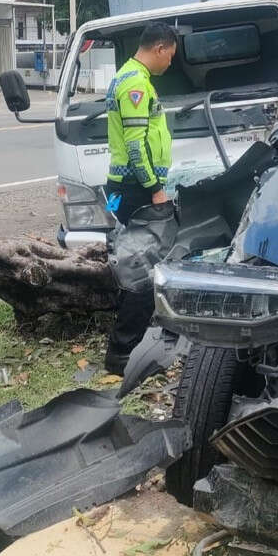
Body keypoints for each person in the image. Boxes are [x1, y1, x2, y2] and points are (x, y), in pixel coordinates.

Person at [103, 22, 178, 373]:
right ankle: (123, 353)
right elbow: (135, 145)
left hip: (122, 187)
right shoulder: (135, 82)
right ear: (160, 48)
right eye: (171, 57)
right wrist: (155, 188)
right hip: (135, 188)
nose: (170, 65)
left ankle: (126, 344)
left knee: (130, 258)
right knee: (142, 267)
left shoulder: (129, 76)